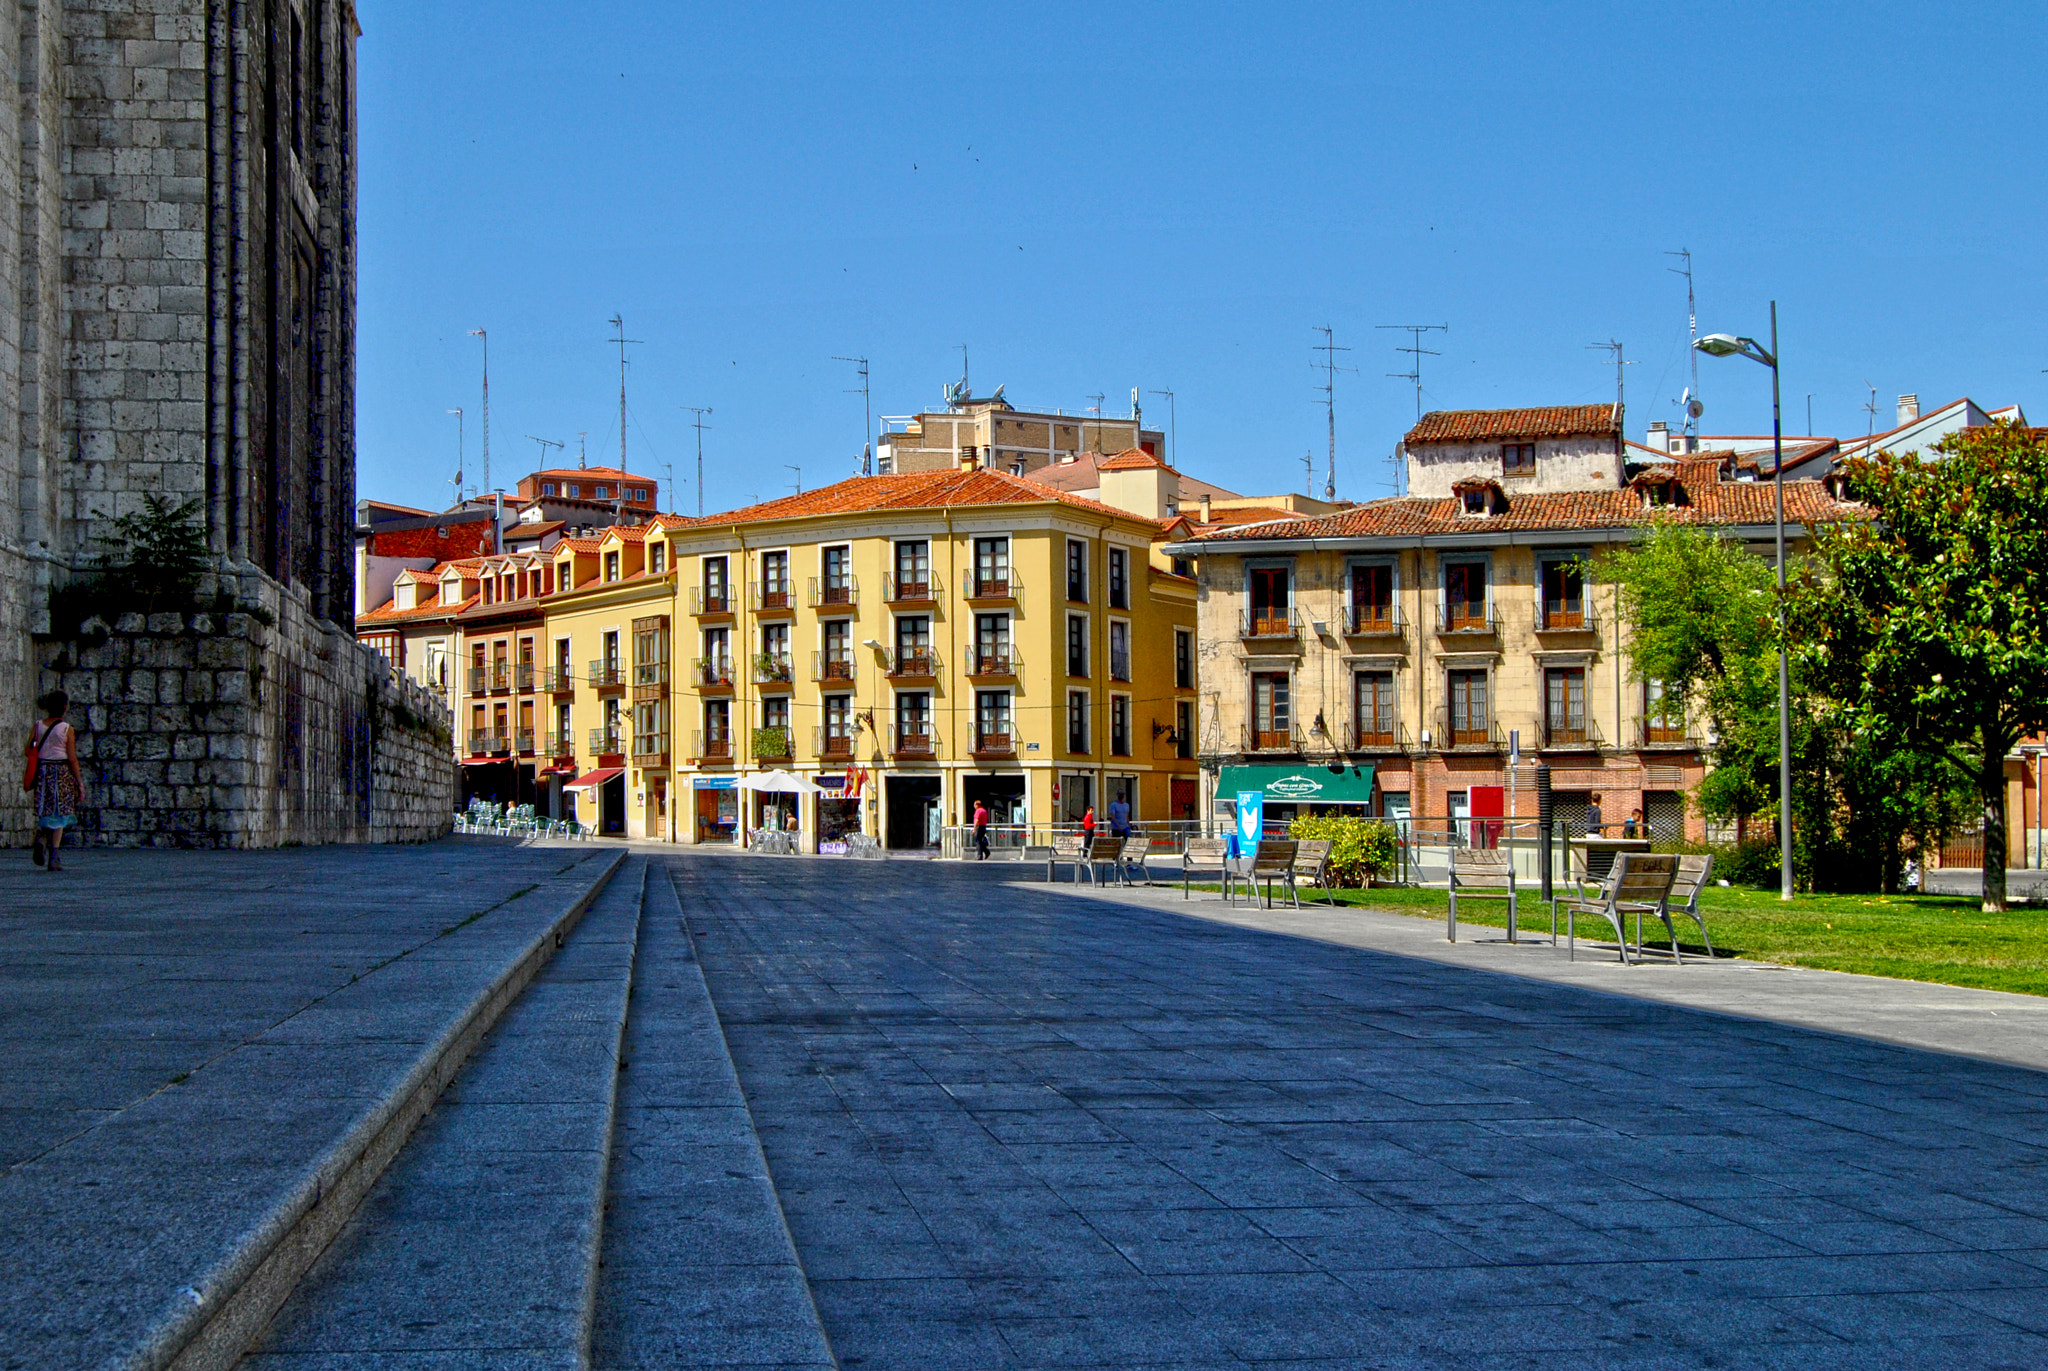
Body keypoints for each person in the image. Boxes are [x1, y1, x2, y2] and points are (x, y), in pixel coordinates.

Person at [25, 689, 84, 872]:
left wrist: (38, 746)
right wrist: (79, 782)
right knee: (60, 813)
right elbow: (72, 757)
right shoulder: (67, 729)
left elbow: (30, 748)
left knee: (45, 809)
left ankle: (41, 838)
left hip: (43, 771)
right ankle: (54, 856)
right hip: (61, 771)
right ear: (64, 708)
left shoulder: (37, 727)